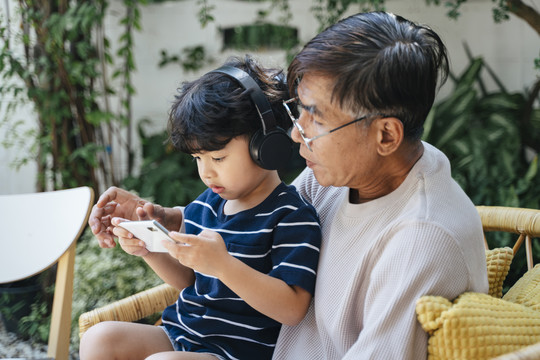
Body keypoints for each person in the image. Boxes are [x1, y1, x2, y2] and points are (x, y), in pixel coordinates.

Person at [86, 11, 489, 359]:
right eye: (299, 113)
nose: (296, 136)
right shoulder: (343, 173)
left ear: (386, 136)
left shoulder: (420, 242)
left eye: (316, 118)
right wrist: (158, 221)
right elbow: (248, 223)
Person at [79, 55, 321, 360]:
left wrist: (224, 265)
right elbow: (187, 280)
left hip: (233, 353)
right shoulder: (208, 204)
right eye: (198, 159)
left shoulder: (291, 217)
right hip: (180, 335)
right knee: (99, 338)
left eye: (217, 158)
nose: (206, 172)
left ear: (266, 146)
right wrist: (148, 249)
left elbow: (293, 309)